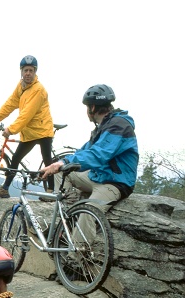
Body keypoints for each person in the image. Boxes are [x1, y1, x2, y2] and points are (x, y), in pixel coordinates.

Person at [40, 84, 139, 228]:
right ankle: (68, 214)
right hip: (99, 176)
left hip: (115, 182)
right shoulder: (104, 126)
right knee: (61, 172)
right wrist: (59, 163)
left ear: (92, 107)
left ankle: (78, 241)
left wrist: (65, 161)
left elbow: (98, 155)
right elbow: (84, 151)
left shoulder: (119, 126)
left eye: (87, 107)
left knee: (87, 213)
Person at [0, 55, 55, 198]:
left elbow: (27, 114)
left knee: (47, 160)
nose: (28, 73)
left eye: (31, 70)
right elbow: (11, 103)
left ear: (35, 72)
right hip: (29, 132)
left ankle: (50, 192)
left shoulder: (38, 90)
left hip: (43, 130)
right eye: (26, 70)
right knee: (16, 158)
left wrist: (11, 129)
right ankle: (4, 189)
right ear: (21, 71)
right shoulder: (21, 86)